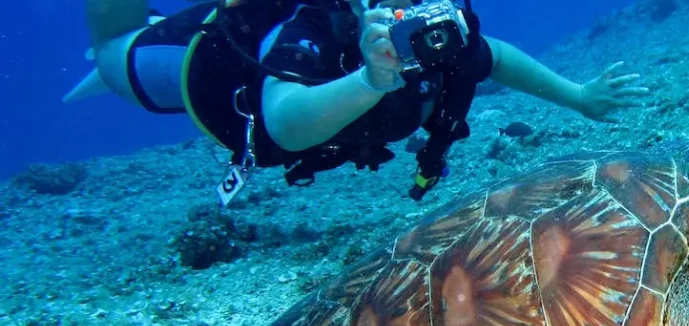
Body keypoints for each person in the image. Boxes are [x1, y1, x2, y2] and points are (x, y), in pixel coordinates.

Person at [67, 0, 650, 204]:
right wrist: (369, 80)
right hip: (205, 72)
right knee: (118, 58)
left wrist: (579, 98)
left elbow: (491, 55)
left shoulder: (433, 28)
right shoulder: (313, 27)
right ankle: (123, 47)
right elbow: (285, 124)